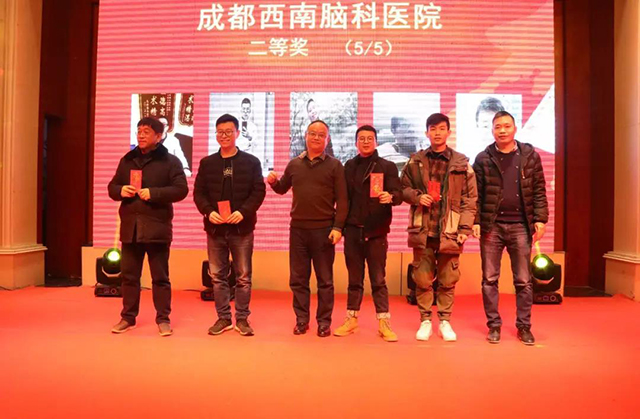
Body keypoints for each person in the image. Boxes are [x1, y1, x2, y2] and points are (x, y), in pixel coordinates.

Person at [472, 110, 549, 346]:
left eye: (507, 126)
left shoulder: (530, 156)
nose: (502, 130)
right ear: (492, 130)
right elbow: (476, 195)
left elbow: (539, 189)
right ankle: (493, 325)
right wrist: (476, 221)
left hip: (521, 226)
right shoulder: (483, 158)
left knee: (523, 280)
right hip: (492, 226)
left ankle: (524, 326)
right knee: (489, 279)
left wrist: (540, 219)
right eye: (498, 127)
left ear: (515, 128)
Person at [108, 117, 188, 336]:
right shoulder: (127, 160)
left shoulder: (170, 161)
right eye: (139, 131)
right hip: (130, 229)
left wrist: (154, 193)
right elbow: (112, 187)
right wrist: (120, 190)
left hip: (157, 228)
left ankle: (163, 319)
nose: (141, 135)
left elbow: (181, 190)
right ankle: (128, 317)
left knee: (160, 278)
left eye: (146, 131)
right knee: (129, 277)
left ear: (158, 136)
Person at [267, 120, 348, 337]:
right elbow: (282, 188)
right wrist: (273, 182)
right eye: (313, 133)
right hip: (298, 231)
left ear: (327, 140)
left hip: (324, 231)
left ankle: (324, 322)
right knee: (298, 279)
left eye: (321, 135)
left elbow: (343, 200)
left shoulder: (335, 166)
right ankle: (301, 320)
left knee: (325, 281)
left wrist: (338, 227)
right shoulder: (294, 164)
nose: (316, 137)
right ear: (306, 136)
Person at [401, 113, 477, 342]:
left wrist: (465, 229)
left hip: (450, 231)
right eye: (433, 129)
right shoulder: (415, 161)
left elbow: (470, 199)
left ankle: (445, 321)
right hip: (423, 229)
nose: (437, 133)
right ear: (427, 133)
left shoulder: (462, 164)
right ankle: (425, 320)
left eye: (441, 128)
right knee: (422, 279)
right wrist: (417, 197)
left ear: (448, 132)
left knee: (448, 279)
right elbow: (402, 188)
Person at [194, 114, 266, 336]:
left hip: (241, 228)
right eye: (220, 132)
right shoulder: (207, 163)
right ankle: (223, 318)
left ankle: (242, 319)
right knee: (218, 277)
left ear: (237, 133)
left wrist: (243, 212)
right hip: (215, 229)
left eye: (228, 132)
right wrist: (209, 212)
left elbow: (258, 191)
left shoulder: (251, 162)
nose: (224, 136)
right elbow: (199, 193)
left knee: (243, 277)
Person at [334, 125, 403, 342]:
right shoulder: (349, 166)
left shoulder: (387, 166)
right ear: (356, 143)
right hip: (353, 232)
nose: (365, 142)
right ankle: (351, 319)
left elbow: (399, 194)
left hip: (376, 233)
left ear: (376, 141)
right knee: (354, 280)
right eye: (362, 138)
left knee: (378, 280)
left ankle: (384, 322)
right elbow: (343, 199)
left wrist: (390, 197)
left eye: (369, 138)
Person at [237, 98, 265, 163]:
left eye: (247, 109)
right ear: (241, 110)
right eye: (244, 109)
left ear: (250, 110)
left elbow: (256, 144)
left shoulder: (253, 127)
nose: (245, 111)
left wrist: (249, 137)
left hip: (248, 156)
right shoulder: (235, 125)